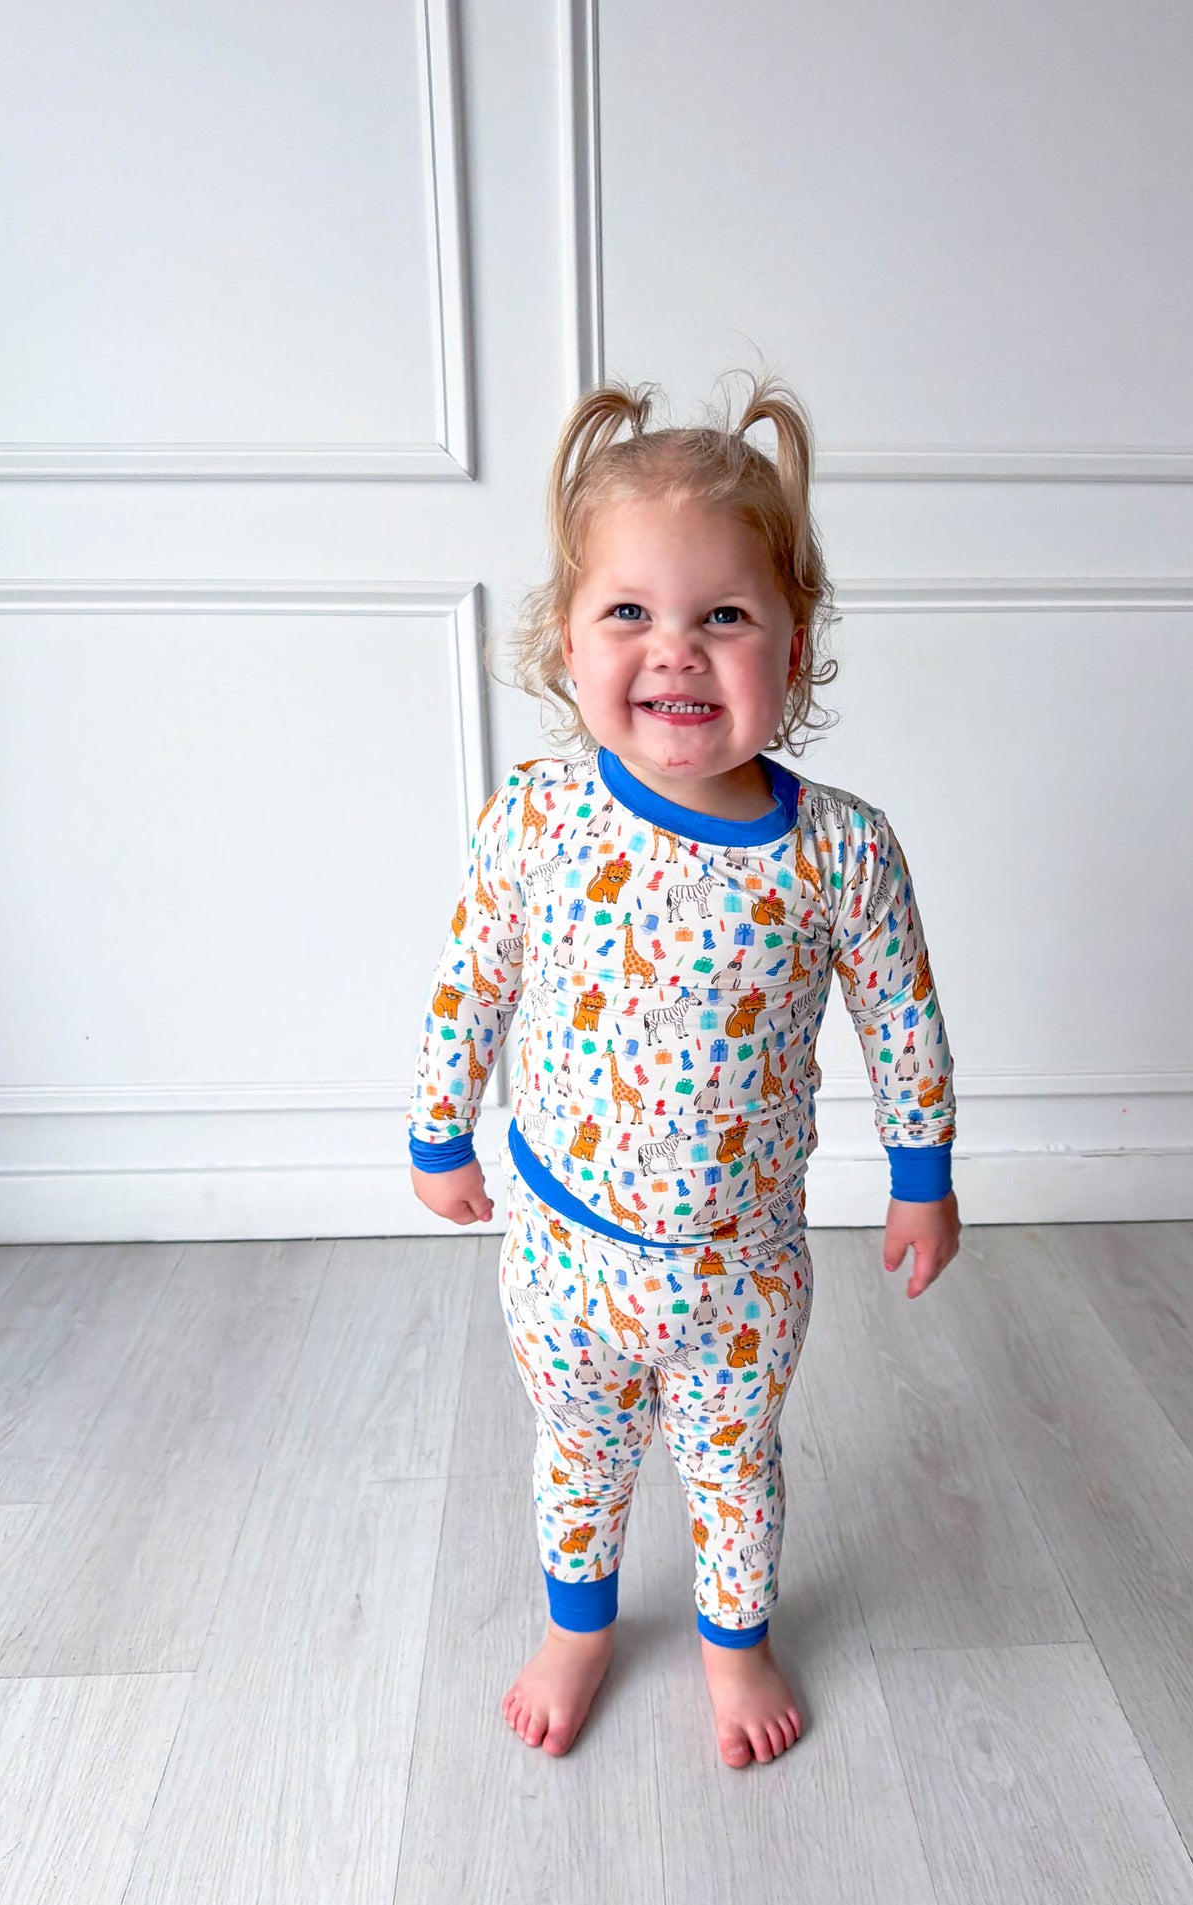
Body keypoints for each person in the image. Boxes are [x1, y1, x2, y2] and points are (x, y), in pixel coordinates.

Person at [407, 370, 960, 1769]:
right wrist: (437, 1130)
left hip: (739, 1264)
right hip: (565, 1248)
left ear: (794, 636)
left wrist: (921, 1175)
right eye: (629, 614)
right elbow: (471, 980)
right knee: (577, 1452)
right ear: (565, 636)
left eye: (722, 615)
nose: (676, 651)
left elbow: (901, 1017)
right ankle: (577, 1628)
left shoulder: (840, 847)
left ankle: (736, 1640)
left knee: (734, 1463)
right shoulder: (538, 818)